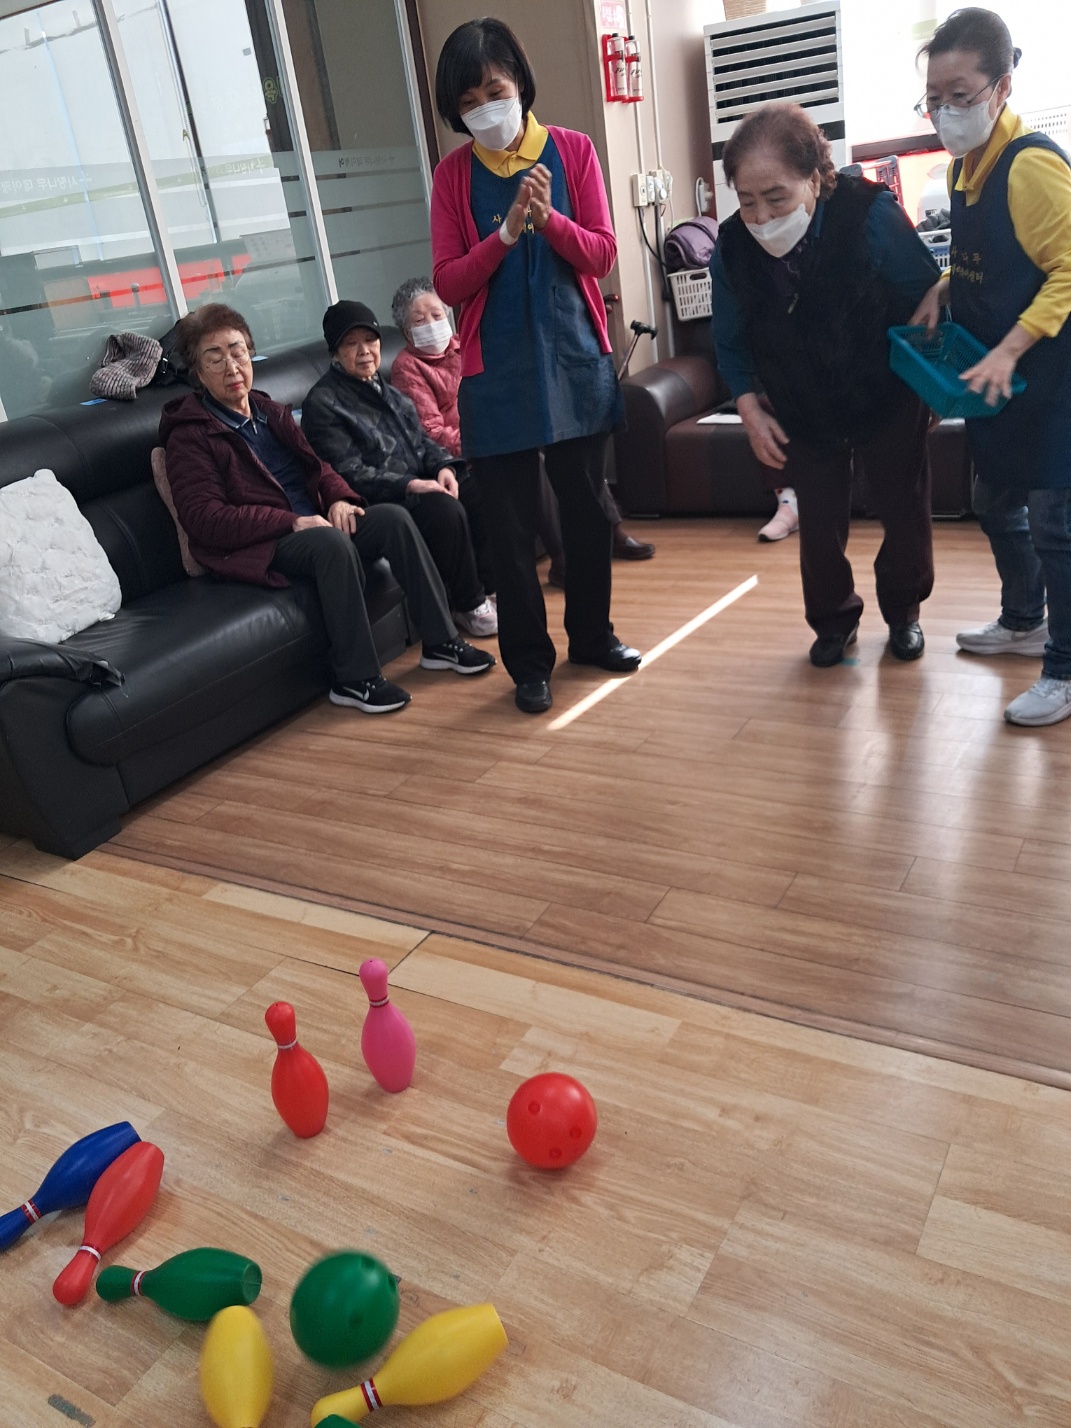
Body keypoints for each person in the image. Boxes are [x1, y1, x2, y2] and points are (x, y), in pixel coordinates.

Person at [430, 17, 641, 715]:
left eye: (494, 91)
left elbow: (602, 255)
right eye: (468, 102)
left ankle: (593, 637)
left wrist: (548, 220)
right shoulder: (452, 177)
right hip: (495, 376)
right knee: (511, 529)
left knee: (587, 512)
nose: (484, 109)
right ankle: (527, 665)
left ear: (519, 82)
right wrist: (503, 235)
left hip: (574, 360)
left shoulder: (573, 151)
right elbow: (449, 283)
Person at [160, 303, 494, 716]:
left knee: (393, 518)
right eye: (215, 358)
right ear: (197, 372)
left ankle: (441, 641)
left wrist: (339, 498)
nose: (232, 367)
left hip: (312, 520)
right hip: (263, 541)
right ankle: (355, 679)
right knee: (331, 544)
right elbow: (204, 520)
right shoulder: (191, 436)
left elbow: (319, 467)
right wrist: (293, 521)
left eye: (238, 352)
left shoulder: (267, 411)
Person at [709, 103, 941, 667]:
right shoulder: (732, 246)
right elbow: (729, 339)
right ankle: (834, 621)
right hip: (802, 401)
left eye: (777, 198)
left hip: (885, 389)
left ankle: (904, 612)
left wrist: (932, 385)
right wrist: (748, 408)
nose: (761, 217)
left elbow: (925, 293)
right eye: (747, 201)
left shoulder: (870, 214)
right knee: (816, 522)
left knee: (903, 508)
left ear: (814, 179)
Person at [912, 8, 1071, 726]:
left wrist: (1010, 346)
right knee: (994, 500)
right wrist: (946, 286)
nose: (945, 112)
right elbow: (994, 257)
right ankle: (1023, 620)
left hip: (1052, 379)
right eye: (934, 98)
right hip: (1000, 382)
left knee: (1054, 524)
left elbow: (1065, 268)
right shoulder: (963, 166)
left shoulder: (1030, 166)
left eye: (960, 95)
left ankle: (1063, 668)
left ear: (1002, 87)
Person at [388, 275, 656, 572]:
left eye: (437, 315)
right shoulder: (407, 368)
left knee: (571, 445)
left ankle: (612, 530)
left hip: (501, 430)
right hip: (469, 452)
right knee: (532, 461)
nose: (431, 324)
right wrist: (486, 435)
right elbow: (431, 432)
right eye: (420, 320)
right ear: (406, 331)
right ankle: (561, 557)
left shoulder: (467, 346)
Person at [300, 299, 497, 640]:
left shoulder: (387, 390)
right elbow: (348, 471)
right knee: (444, 509)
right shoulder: (323, 404)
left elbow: (422, 441)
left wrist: (444, 467)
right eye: (351, 343)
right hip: (380, 500)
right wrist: (411, 484)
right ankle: (468, 604)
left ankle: (490, 588)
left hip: (416, 483)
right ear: (335, 353)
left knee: (478, 487)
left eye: (370, 340)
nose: (364, 351)